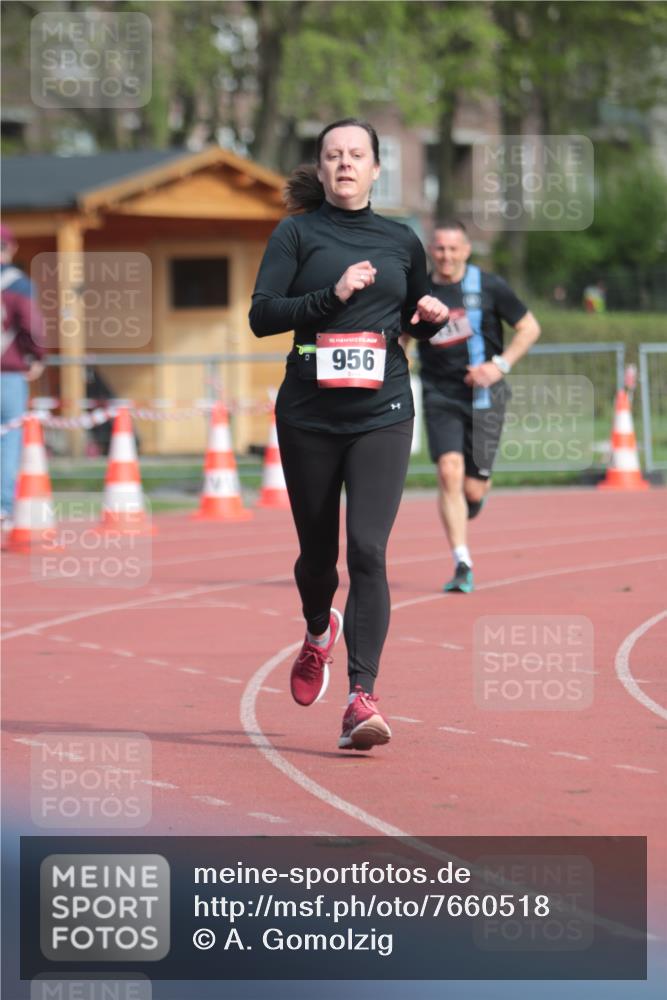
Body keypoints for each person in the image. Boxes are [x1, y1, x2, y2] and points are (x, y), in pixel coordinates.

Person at [249, 118, 448, 751]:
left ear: (375, 168)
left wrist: (433, 319)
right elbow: (262, 316)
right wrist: (330, 296)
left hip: (382, 410)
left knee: (367, 552)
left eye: (356, 155)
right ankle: (316, 632)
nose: (345, 164)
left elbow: (414, 317)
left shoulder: (400, 239)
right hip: (308, 413)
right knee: (318, 559)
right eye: (333, 155)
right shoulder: (296, 233)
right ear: (322, 165)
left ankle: (362, 697)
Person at [402, 221, 540, 593]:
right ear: (432, 251)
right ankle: (462, 561)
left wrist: (499, 366)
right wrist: (405, 356)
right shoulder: (420, 289)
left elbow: (529, 328)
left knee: (473, 490)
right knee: (448, 472)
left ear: (466, 250)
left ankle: (473, 501)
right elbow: (406, 332)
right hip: (439, 394)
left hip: (485, 398)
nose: (446, 256)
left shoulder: (489, 285)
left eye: (453, 249)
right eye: (440, 249)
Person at [1, 223, 45, 526]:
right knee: (8, 438)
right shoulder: (18, 285)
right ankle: (3, 508)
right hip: (7, 373)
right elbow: (32, 325)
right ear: (11, 248)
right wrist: (37, 357)